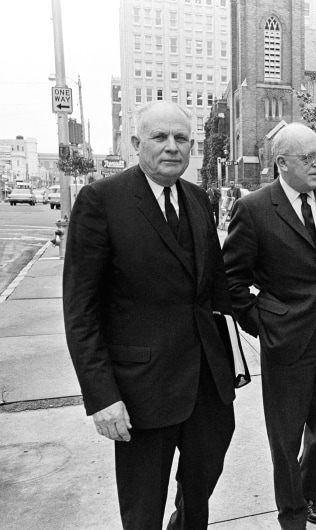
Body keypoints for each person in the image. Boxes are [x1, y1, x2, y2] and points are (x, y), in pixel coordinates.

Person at [62, 101, 236, 529]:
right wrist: (102, 397)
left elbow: (215, 287)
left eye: (182, 139)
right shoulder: (101, 201)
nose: (172, 148)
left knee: (198, 498)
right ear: (136, 143)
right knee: (143, 512)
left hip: (205, 388)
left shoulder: (197, 199)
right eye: (160, 137)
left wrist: (280, 312)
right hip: (142, 392)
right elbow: (80, 312)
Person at [222, 123, 316, 530]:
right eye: (309, 158)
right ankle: (292, 514)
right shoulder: (254, 209)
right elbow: (232, 283)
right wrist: (267, 324)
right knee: (285, 437)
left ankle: (307, 489)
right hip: (287, 342)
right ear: (281, 163)